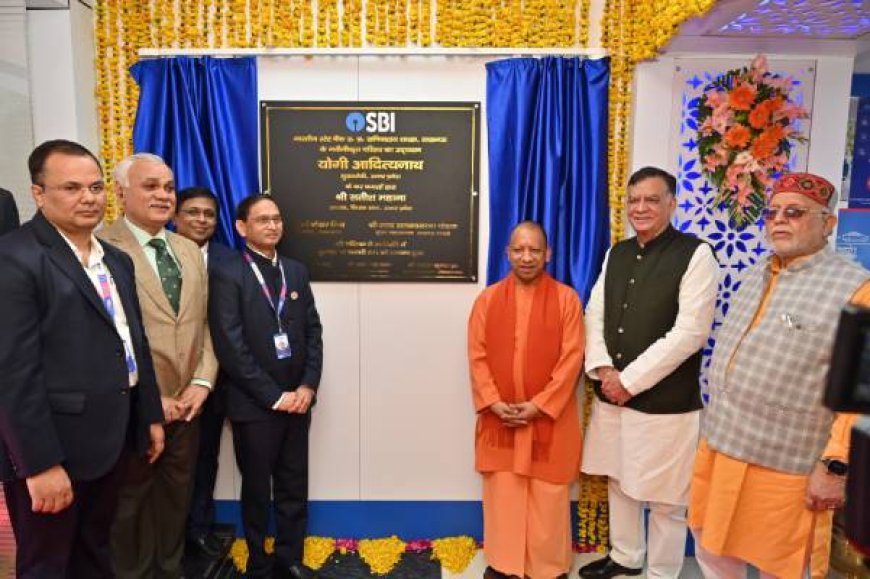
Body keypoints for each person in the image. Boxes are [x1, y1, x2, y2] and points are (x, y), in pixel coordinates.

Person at [688, 172, 867, 578]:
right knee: (713, 550)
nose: (779, 220)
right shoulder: (756, 272)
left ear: (829, 223)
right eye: (772, 212)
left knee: (780, 566)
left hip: (787, 465)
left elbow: (859, 399)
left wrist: (836, 466)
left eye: (795, 212)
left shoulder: (855, 287)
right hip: (723, 448)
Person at [0, 140, 164, 578]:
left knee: (94, 554)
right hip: (54, 448)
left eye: (95, 187)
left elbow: (132, 342)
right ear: (38, 193)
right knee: (48, 565)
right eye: (71, 188)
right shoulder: (14, 259)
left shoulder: (116, 260)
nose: (88, 198)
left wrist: (147, 415)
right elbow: (12, 374)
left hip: (111, 440)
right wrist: (39, 463)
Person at [579, 167, 718, 579]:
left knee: (666, 500)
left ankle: (660, 572)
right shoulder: (616, 253)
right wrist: (604, 369)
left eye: (652, 200)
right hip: (611, 392)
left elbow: (691, 332)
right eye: (634, 200)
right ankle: (625, 557)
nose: (640, 208)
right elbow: (595, 312)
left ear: (672, 204)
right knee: (619, 480)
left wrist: (629, 380)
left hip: (665, 404)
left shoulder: (696, 254)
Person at [98, 153, 218, 578]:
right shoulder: (100, 249)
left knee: (175, 502)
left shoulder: (188, 249)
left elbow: (206, 325)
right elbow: (106, 340)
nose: (163, 195)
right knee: (128, 509)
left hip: (188, 409)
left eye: (168, 187)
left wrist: (202, 383)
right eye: (151, 186)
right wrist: (152, 399)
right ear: (121, 192)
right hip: (132, 411)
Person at [209, 194, 323, 579]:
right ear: (242, 228)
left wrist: (307, 387)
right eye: (262, 220)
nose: (272, 226)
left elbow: (313, 332)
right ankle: (259, 563)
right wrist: (274, 396)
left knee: (293, 485)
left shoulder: (296, 271)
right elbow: (230, 344)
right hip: (254, 406)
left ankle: (290, 558)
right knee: (257, 490)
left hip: (298, 403)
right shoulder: (228, 273)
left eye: (276, 219)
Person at [468, 221, 584, 579]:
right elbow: (477, 356)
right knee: (505, 492)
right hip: (499, 417)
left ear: (548, 254)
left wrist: (539, 405)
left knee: (547, 498)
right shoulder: (487, 299)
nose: (527, 257)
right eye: (519, 249)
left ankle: (547, 567)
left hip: (549, 418)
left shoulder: (567, 299)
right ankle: (504, 565)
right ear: (507, 253)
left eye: (535, 250)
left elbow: (572, 360)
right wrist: (492, 400)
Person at [173, 186, 238, 559]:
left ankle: (199, 527)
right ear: (176, 216)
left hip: (214, 382)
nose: (201, 220)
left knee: (205, 457)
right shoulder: (155, 257)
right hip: (163, 384)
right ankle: (170, 534)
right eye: (192, 212)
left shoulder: (230, 262)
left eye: (209, 214)